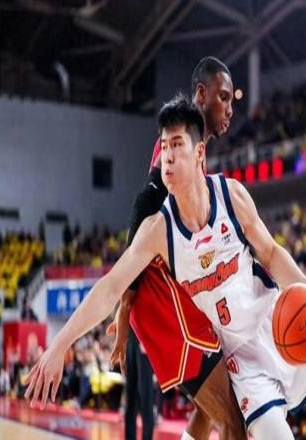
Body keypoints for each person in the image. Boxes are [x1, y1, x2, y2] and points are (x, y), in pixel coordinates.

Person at [24, 96, 306, 439]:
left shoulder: (231, 195)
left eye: (177, 145)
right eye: (164, 146)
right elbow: (110, 287)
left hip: (276, 322)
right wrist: (60, 344)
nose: (167, 156)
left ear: (199, 152)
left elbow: (272, 254)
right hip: (242, 363)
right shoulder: (158, 230)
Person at [106, 56, 244, 440]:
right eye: (223, 98)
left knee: (206, 412)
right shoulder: (177, 142)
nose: (230, 108)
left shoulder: (194, 148)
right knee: (233, 417)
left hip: (169, 295)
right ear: (201, 94)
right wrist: (125, 308)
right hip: (159, 298)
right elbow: (143, 207)